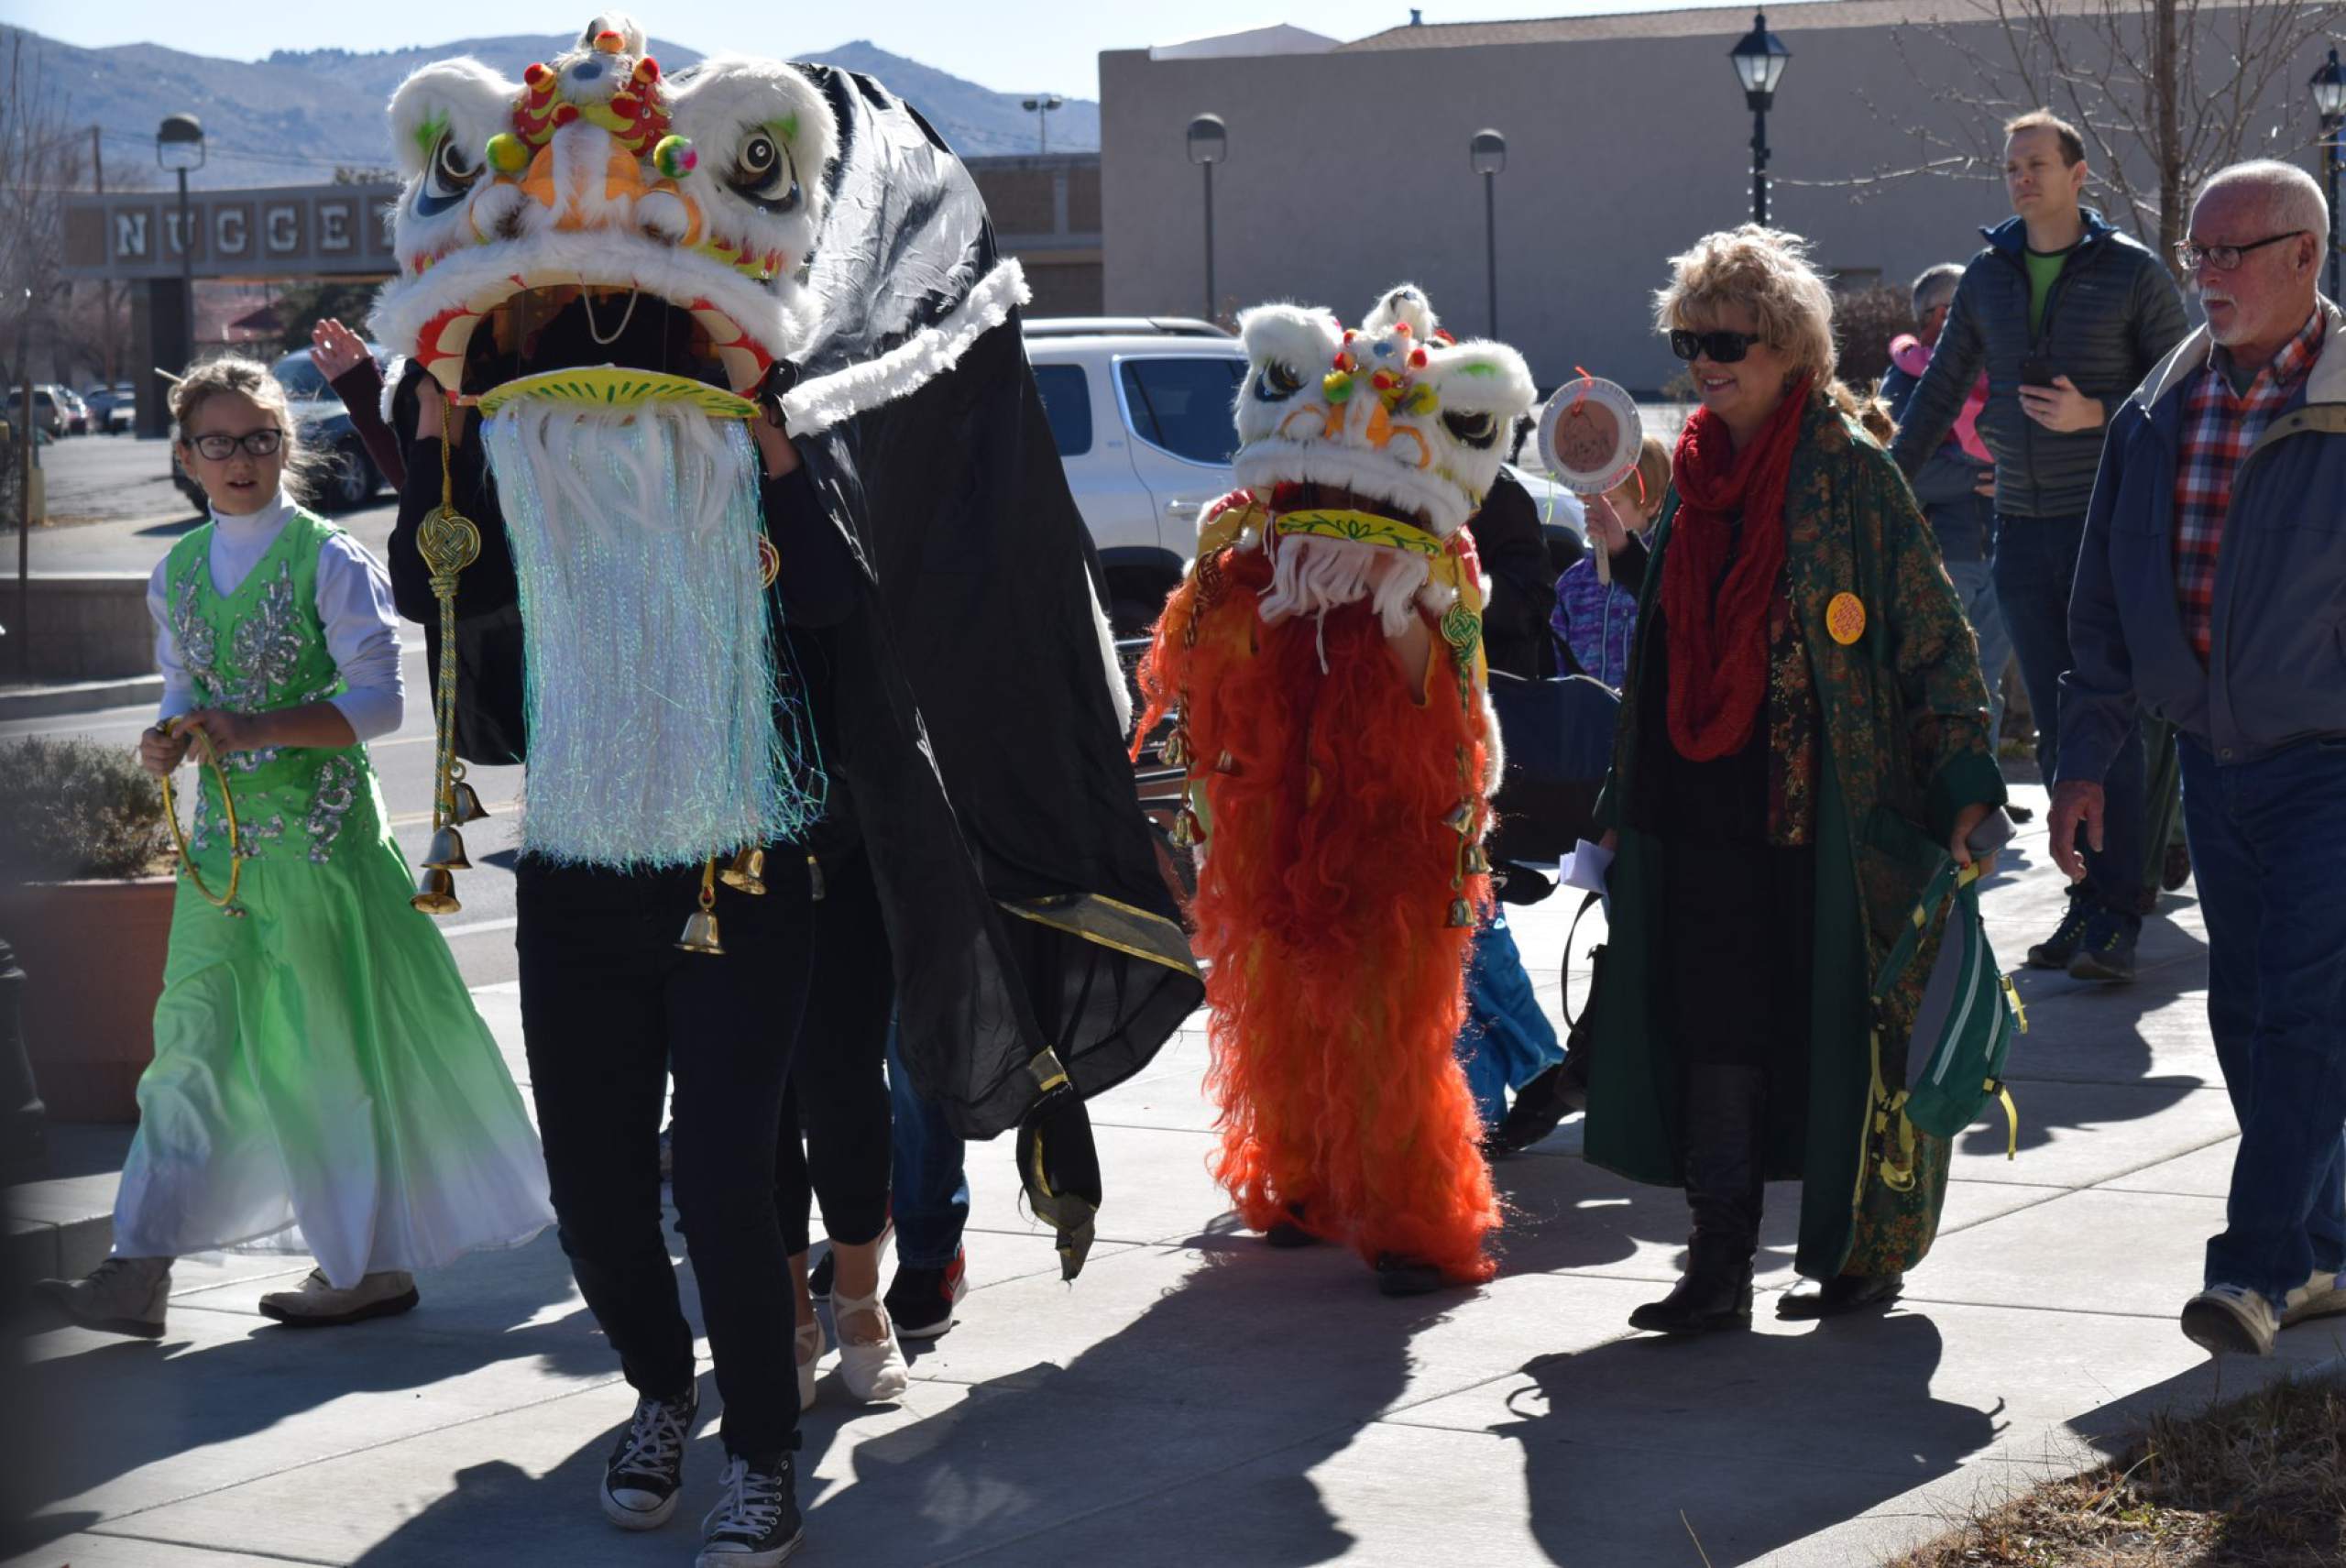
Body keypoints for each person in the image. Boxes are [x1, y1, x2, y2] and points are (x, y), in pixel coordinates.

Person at [372, 25, 1198, 1564]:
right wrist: (431, 430)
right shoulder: (509, 446)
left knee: (727, 1178)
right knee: (600, 1201)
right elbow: (440, 583)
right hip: (573, 874)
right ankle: (656, 1391)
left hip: (744, 879)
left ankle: (757, 1449)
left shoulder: (755, 440)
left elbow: (828, 601)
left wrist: (771, 462)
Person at [32, 356, 552, 1339]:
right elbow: (182, 685)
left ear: (285, 447)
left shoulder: (326, 557)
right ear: (186, 456)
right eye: (219, 443)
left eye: (260, 439)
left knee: (325, 1058)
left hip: (320, 853)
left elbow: (382, 701)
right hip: (219, 862)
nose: (241, 459)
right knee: (183, 1056)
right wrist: (168, 735)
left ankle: (367, 1265)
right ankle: (137, 1270)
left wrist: (258, 727)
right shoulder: (175, 572)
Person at [1584, 226, 2004, 1336]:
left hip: (1828, 812)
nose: (1705, 362)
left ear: (1785, 347)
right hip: (1701, 805)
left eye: (1725, 340)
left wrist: (1965, 777)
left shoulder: (1850, 473)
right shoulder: (1698, 474)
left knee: (1837, 1027)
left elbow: (1930, 632)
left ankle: (1861, 1250)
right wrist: (1628, 553)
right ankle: (1716, 1263)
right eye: (1689, 340)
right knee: (1715, 1025)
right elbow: (1686, 632)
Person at [1135, 285, 1536, 1295]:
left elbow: (1440, 706)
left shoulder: (1442, 569)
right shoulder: (1253, 548)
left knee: (1387, 1017)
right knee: (1278, 998)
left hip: (1393, 827)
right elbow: (1197, 661)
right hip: (1276, 812)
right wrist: (1249, 584)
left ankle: (1408, 1217)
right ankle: (1304, 1177)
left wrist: (1400, 601)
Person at [2051, 160, 2346, 1359]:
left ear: (2306, 257)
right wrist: (2083, 758)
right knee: (2244, 1004)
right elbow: (2105, 606)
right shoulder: (2155, 409)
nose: (2210, 278)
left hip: (2331, 751)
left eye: (2234, 253)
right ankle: (2324, 1243)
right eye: (2200, 255)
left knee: (2312, 1004)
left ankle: (2258, 1262)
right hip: (2210, 758)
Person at [1889, 109, 2188, 983]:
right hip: (2018, 525)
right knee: (2059, 734)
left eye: (2037, 163)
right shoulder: (1987, 275)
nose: (2021, 177)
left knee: (2110, 724)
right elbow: (1940, 390)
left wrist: (2102, 413)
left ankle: (2120, 912)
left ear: (2079, 173)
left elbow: (2182, 386)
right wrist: (1882, 481)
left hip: (2112, 529)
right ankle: (2087, 900)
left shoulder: (2132, 272)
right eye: (2011, 165)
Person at [1881, 265, 2016, 759]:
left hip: (2001, 555)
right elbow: (1897, 466)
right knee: (1941, 688)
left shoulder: (1994, 375)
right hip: (1943, 558)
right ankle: (1939, 801)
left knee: (1987, 687)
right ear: (1941, 315)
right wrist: (1975, 478)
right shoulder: (1902, 382)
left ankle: (1986, 796)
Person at [1551, 434, 1668, 688]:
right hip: (1587, 724)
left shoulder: (1667, 573)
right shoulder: (1571, 585)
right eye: (1589, 502)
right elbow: (1559, 673)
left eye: (1612, 503)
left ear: (1652, 503)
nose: (1596, 512)